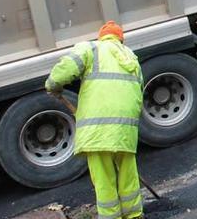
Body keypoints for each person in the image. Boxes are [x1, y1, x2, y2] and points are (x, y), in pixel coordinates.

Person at [45, 21, 145, 219]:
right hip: (125, 128)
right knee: (128, 174)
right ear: (120, 39)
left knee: (104, 178)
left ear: (102, 37)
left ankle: (111, 217)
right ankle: (134, 214)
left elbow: (66, 69)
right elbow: (138, 92)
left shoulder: (92, 48)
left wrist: (53, 85)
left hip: (98, 130)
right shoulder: (131, 57)